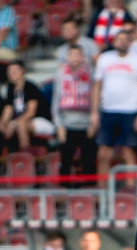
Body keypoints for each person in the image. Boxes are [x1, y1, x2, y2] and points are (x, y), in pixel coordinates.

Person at [91, 27, 137, 185]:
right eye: (119, 39)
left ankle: (131, 189)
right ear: (114, 41)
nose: (122, 42)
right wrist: (94, 112)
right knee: (104, 153)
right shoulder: (104, 59)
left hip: (131, 111)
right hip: (108, 110)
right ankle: (102, 189)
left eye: (126, 39)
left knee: (128, 151)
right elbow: (97, 86)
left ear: (130, 42)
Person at [52, 46, 98, 183]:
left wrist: (93, 124)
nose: (76, 58)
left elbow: (96, 100)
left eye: (79, 55)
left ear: (83, 57)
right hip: (67, 125)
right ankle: (64, 196)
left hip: (86, 125)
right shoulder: (61, 73)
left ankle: (91, 196)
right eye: (72, 55)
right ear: (67, 57)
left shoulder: (92, 73)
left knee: (89, 162)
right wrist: (59, 125)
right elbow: (56, 100)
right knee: (65, 163)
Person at [0, 61, 55, 151]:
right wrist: (2, 123)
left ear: (22, 71)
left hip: (41, 120)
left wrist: (13, 124)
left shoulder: (30, 87)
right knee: (1, 125)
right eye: (9, 71)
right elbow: (8, 109)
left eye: (15, 70)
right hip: (22, 120)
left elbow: (30, 113)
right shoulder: (11, 89)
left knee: (21, 124)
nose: (11, 73)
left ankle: (25, 154)